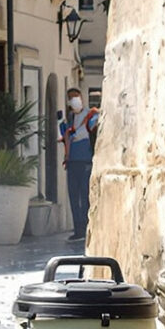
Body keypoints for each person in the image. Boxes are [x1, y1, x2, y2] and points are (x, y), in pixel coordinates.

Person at [59, 89, 99, 241]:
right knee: (74, 197)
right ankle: (78, 229)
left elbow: (91, 129)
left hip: (86, 161)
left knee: (85, 195)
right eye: (71, 98)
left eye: (76, 97)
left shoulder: (91, 115)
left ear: (81, 98)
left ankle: (86, 227)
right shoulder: (69, 118)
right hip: (72, 162)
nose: (74, 100)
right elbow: (65, 137)